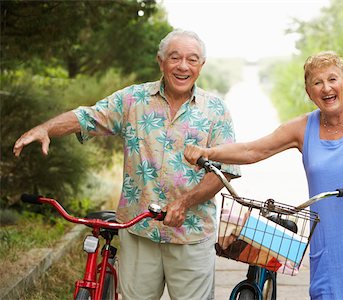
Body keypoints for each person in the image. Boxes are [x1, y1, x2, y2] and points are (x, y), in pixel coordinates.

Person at [184, 0, 343, 299]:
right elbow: (255, 151)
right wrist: (209, 152)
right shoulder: (302, 128)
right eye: (317, 82)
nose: (326, 88)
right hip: (333, 239)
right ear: (309, 92)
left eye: (333, 79)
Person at [13, 29, 240, 300]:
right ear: (160, 61)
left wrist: (184, 203)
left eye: (192, 59)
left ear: (201, 66)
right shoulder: (133, 100)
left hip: (191, 234)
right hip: (138, 230)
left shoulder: (216, 110)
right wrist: (46, 128)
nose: (182, 66)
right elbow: (88, 117)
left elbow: (224, 169)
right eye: (174, 57)